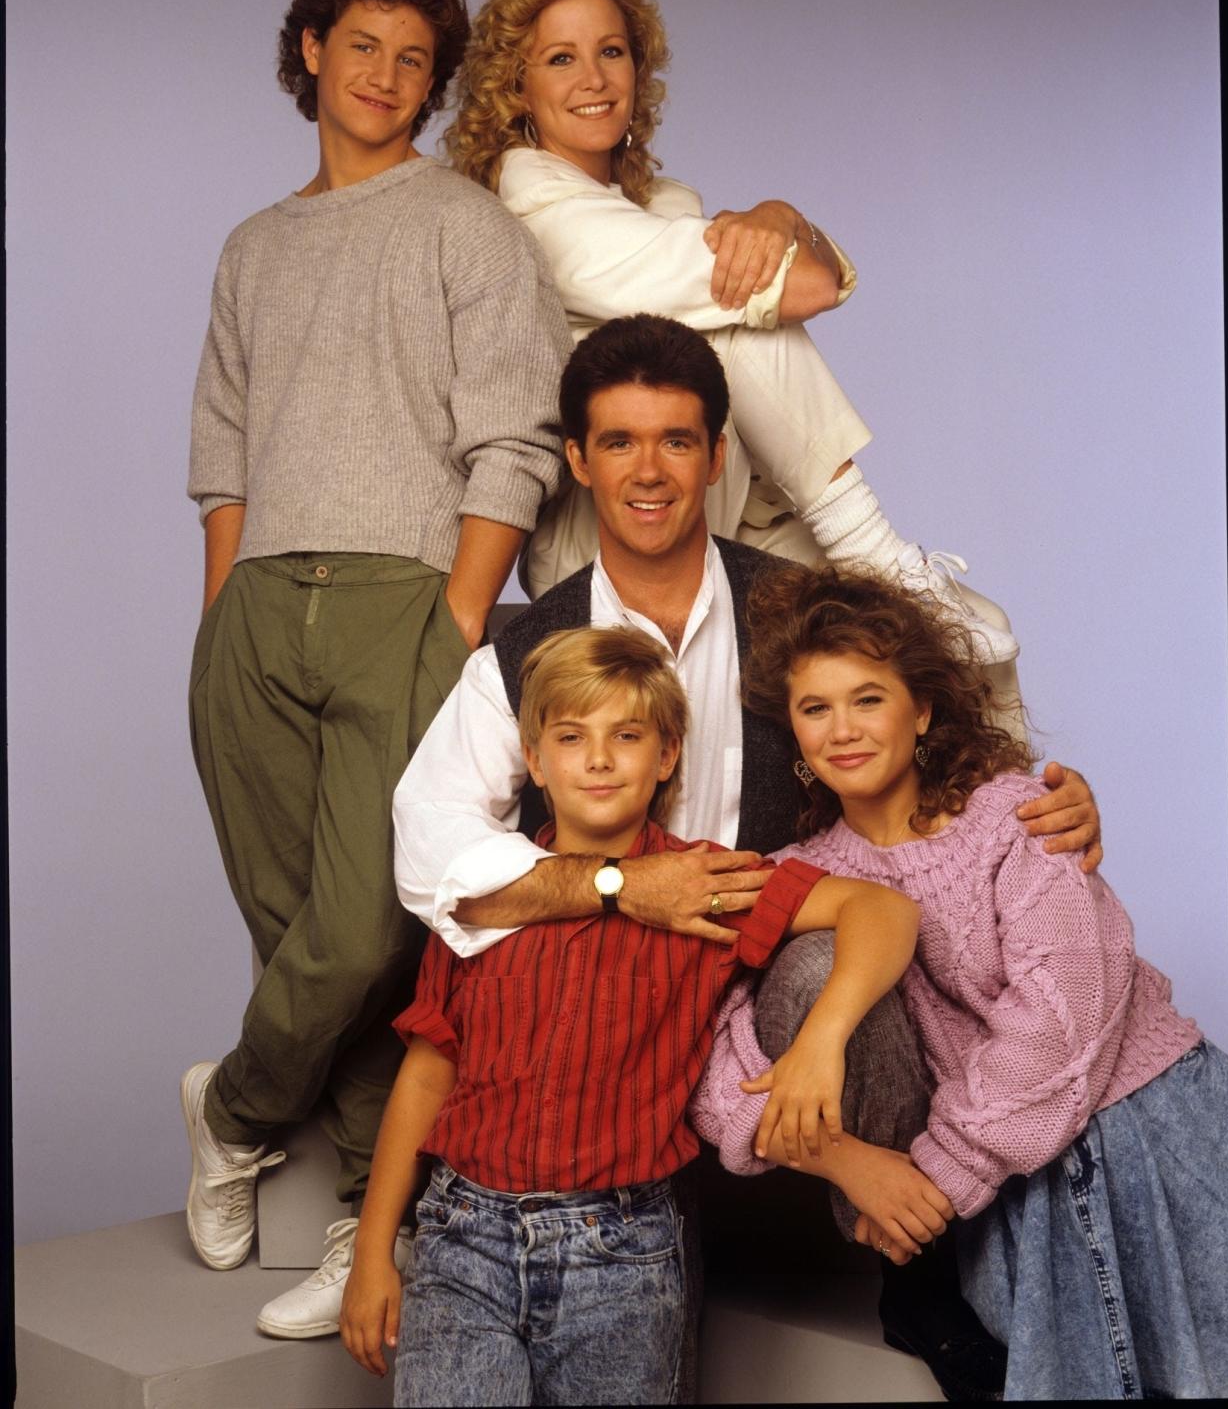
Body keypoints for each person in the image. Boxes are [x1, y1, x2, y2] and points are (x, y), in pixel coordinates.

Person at [392, 311, 1104, 1398]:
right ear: (577, 463)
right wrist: (627, 888)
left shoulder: (788, 601)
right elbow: (427, 843)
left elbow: (930, 698)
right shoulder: (535, 644)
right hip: (628, 995)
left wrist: (1051, 793)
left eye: (678, 440)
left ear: (718, 456)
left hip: (776, 957)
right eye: (619, 442)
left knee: (829, 961)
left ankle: (916, 1255)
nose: (650, 470)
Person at [182, 0, 570, 1339]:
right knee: (292, 922)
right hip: (254, 615)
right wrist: (219, 616)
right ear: (309, 51)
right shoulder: (253, 246)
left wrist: (457, 613)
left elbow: (515, 441)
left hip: (404, 600)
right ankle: (360, 1207)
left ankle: (233, 1106)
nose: (388, 77)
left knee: (368, 929)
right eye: (363, 48)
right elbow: (223, 450)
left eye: (415, 59)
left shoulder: (465, 227)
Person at [695, 560, 1228, 1400]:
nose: (843, 728)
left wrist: (936, 1180)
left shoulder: (1013, 816)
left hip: (1148, 1123)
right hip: (1013, 1179)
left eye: (868, 697)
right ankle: (918, 1293)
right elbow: (715, 1067)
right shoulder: (795, 875)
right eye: (815, 707)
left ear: (924, 709)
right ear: (792, 733)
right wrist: (853, 1165)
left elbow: (1064, 1012)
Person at [343, 625, 921, 1405]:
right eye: (572, 736)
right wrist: (373, 1251)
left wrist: (821, 1040)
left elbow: (883, 911)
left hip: (624, 1255)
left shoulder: (705, 881)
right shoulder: (488, 892)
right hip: (463, 1242)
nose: (601, 757)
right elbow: (425, 1073)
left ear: (667, 754)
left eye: (627, 734)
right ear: (536, 760)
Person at [444, 0, 1021, 691]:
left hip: (733, 501)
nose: (593, 78)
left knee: (973, 642)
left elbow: (806, 271)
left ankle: (1016, 804)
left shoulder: (662, 205)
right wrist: (781, 233)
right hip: (610, 526)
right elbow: (803, 290)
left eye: (611, 52)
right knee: (721, 323)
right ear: (515, 89)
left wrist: (781, 216)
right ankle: (871, 543)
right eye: (560, 59)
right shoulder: (532, 203)